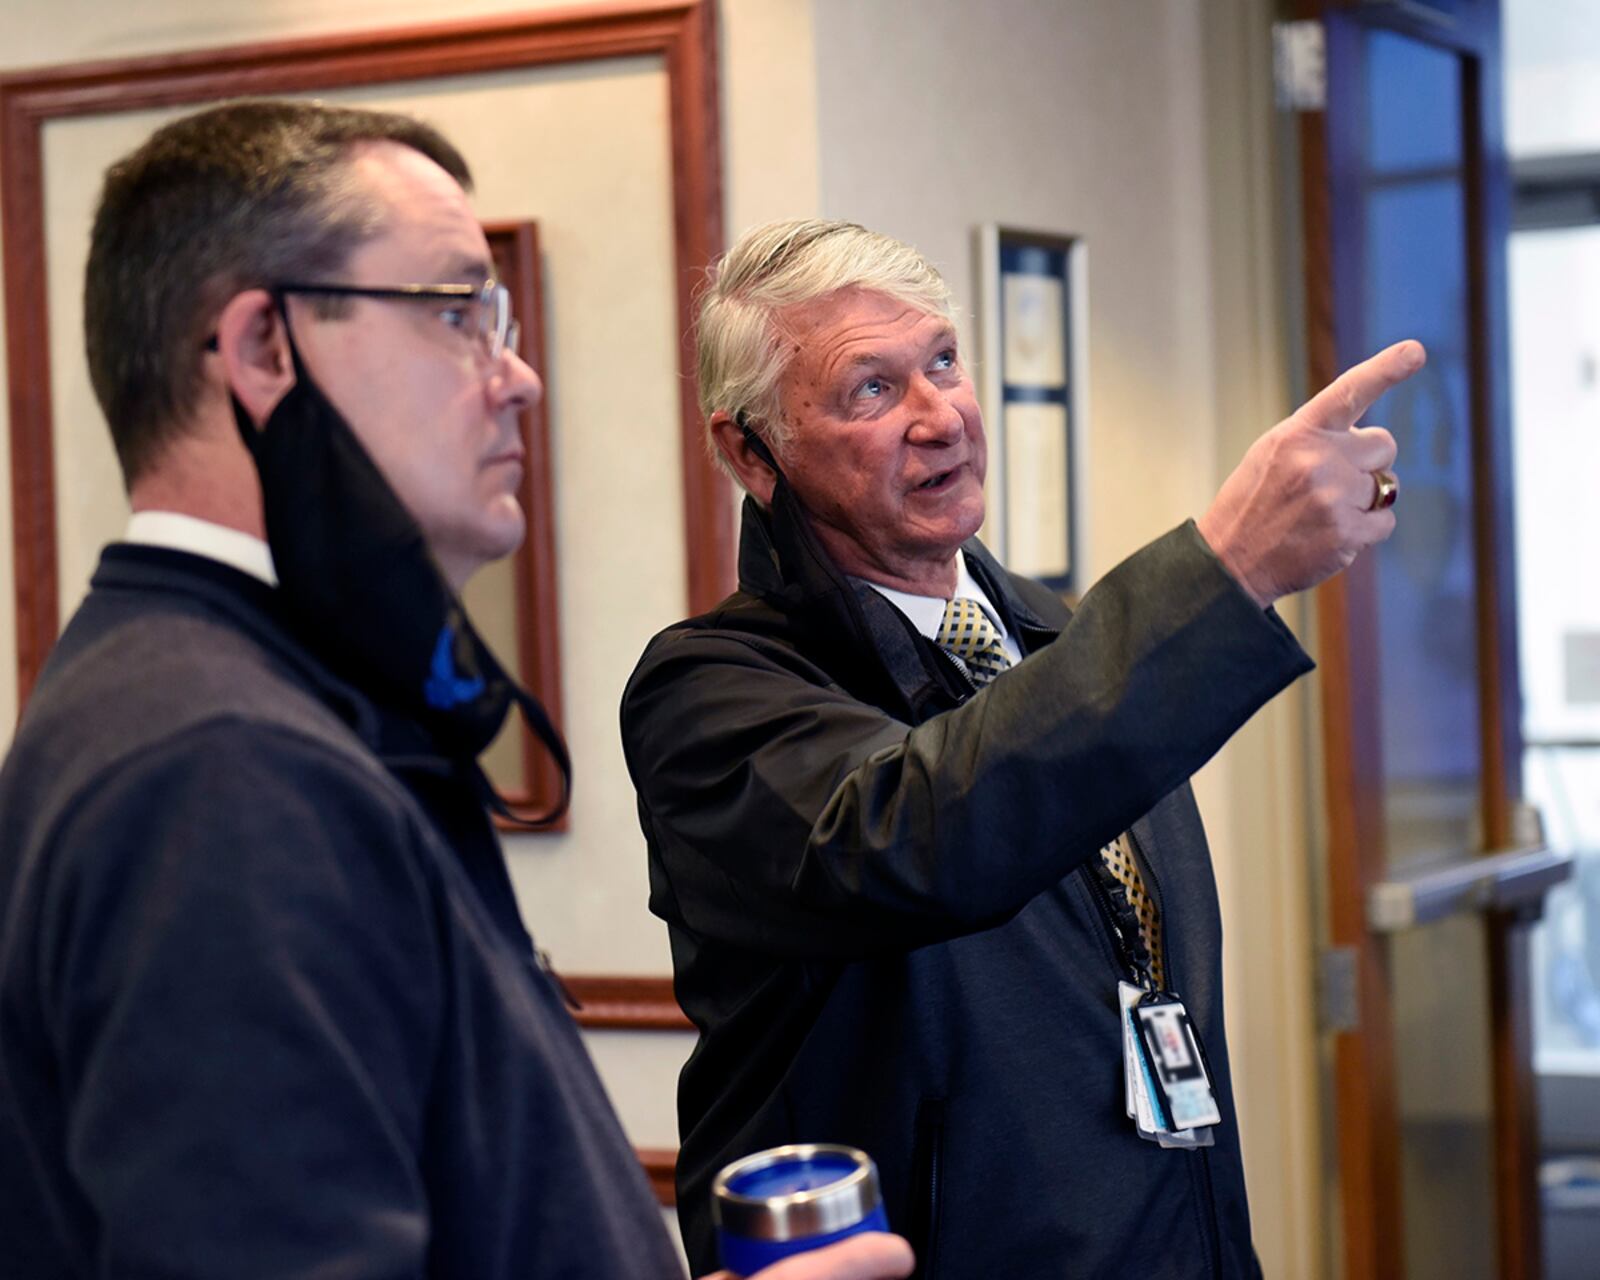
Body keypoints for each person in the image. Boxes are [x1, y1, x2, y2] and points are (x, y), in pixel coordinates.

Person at [0, 104, 911, 1280]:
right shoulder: (220, 764)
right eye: (457, 314)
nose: (519, 375)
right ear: (265, 350)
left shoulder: (221, 695)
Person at [621, 218, 1420, 1277]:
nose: (938, 415)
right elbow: (915, 833)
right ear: (748, 453)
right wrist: (1222, 571)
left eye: (943, 362)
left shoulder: (1060, 643)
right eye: (870, 388)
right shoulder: (713, 692)